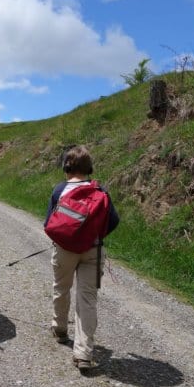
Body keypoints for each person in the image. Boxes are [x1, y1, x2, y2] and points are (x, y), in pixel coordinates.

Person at [44, 145, 119, 370]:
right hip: (93, 251)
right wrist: (92, 237)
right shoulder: (101, 192)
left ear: (66, 167)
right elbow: (113, 221)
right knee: (87, 299)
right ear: (89, 168)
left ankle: (59, 329)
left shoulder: (60, 190)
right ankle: (84, 354)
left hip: (65, 249)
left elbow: (48, 224)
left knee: (61, 288)